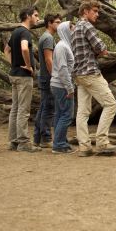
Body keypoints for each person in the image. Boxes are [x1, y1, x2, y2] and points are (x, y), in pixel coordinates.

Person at [72, 0, 116, 157]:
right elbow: (101, 47)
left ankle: (84, 146)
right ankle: (102, 142)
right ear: (85, 11)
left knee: (83, 112)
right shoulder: (86, 25)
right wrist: (102, 51)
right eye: (95, 11)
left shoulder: (75, 29)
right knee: (111, 104)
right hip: (90, 72)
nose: (97, 15)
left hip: (79, 74)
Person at [4, 6, 41, 152]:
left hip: (14, 74)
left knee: (15, 108)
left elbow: (6, 50)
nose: (38, 18)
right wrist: (28, 65)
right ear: (28, 16)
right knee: (23, 110)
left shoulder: (15, 32)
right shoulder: (25, 32)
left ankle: (13, 142)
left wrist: (13, 63)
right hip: (23, 76)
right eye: (36, 15)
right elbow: (25, 48)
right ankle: (24, 143)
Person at [33, 14, 61, 148]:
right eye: (57, 22)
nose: (59, 24)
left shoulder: (45, 37)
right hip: (48, 77)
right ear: (50, 23)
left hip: (45, 77)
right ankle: (46, 138)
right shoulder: (48, 38)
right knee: (48, 108)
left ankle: (37, 137)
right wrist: (54, 76)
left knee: (44, 107)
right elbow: (48, 59)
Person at [50, 21, 75, 154]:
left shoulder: (66, 46)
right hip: (61, 85)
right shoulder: (62, 46)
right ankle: (58, 145)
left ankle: (61, 141)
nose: (74, 31)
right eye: (72, 29)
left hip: (60, 84)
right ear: (65, 30)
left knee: (60, 114)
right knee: (66, 115)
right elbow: (62, 68)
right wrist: (69, 88)